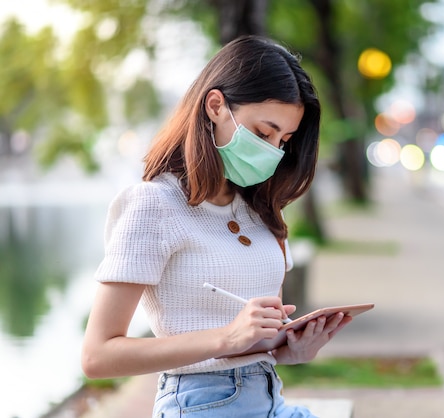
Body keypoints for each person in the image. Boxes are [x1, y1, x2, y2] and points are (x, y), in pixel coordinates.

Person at [81, 35, 352, 417]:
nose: (273, 150)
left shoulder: (259, 207)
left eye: (284, 140)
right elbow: (97, 356)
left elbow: (247, 336)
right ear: (215, 106)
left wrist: (286, 348)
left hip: (270, 395)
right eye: (263, 133)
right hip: (201, 403)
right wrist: (227, 337)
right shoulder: (154, 205)